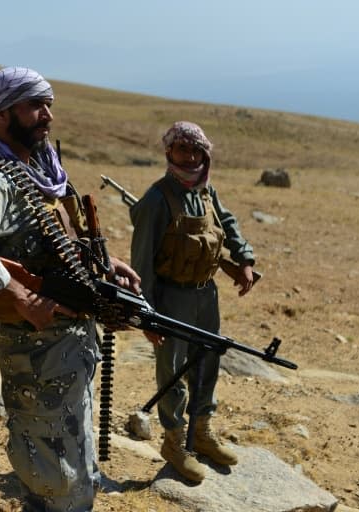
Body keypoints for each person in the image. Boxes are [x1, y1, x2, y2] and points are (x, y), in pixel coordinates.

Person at [0, 66, 140, 512]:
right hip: (37, 351)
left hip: (72, 344)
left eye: (48, 104)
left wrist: (107, 266)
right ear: (1, 116)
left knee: (76, 470)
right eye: (34, 105)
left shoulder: (45, 174)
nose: (46, 115)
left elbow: (60, 249)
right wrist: (19, 298)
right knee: (53, 479)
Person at [130, 121, 255, 483]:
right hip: (171, 298)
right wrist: (146, 315)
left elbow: (227, 224)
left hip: (206, 295)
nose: (190, 157)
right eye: (182, 150)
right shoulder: (157, 198)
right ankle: (173, 442)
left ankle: (201, 432)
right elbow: (141, 263)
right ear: (169, 152)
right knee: (172, 372)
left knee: (207, 362)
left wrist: (244, 259)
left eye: (196, 151)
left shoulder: (205, 191)